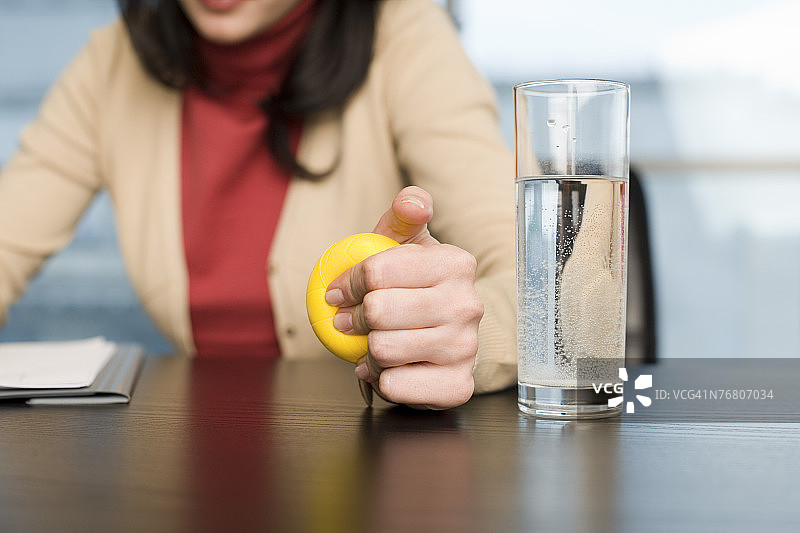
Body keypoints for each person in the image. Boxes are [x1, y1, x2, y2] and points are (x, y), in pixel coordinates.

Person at [0, 0, 516, 409]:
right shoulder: (111, 64)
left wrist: (466, 338)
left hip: (370, 465)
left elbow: (541, 278)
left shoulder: (407, 37)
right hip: (185, 464)